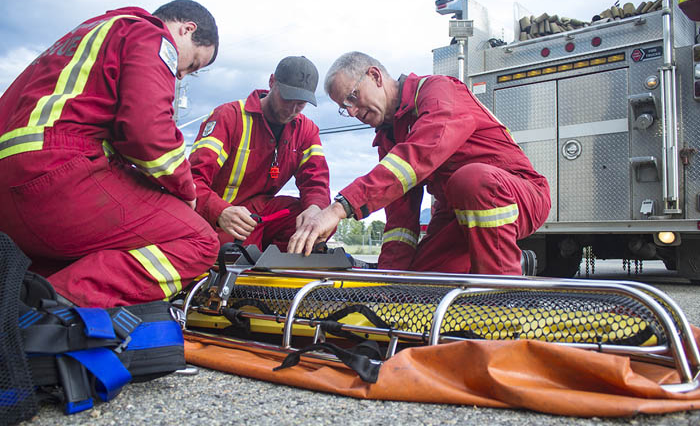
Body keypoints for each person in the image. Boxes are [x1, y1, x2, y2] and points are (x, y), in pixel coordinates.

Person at [0, 0, 220, 307]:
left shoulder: (87, 34)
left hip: (10, 194)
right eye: (193, 64)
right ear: (186, 30)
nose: (182, 75)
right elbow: (147, 130)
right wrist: (185, 189)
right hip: (55, 176)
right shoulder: (150, 35)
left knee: (85, 255)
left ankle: (24, 302)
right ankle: (48, 309)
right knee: (199, 241)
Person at [289, 51, 551, 276]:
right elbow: (400, 223)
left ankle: (502, 299)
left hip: (517, 194)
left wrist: (337, 209)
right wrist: (387, 285)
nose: (353, 112)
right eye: (344, 108)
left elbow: (420, 155)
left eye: (352, 98)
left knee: (471, 180)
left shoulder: (438, 92)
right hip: (457, 213)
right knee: (419, 283)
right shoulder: (388, 137)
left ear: (375, 76)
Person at [189, 56, 330, 251]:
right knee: (229, 247)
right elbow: (192, 181)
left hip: (260, 215)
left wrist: (315, 208)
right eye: (287, 99)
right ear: (272, 82)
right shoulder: (229, 117)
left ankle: (279, 265)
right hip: (218, 219)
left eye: (301, 104)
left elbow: (316, 184)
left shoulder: (306, 130)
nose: (292, 110)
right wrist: (220, 211)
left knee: (321, 221)